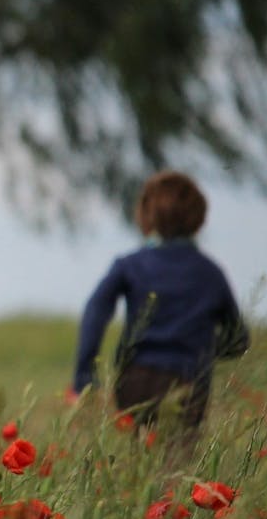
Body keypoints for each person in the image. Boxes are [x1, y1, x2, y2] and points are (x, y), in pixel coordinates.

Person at [70, 170, 249, 442]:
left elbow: (95, 311)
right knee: (178, 464)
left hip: (135, 379)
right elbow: (238, 339)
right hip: (189, 381)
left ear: (146, 215)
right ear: (198, 218)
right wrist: (201, 350)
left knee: (139, 460)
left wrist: (84, 377)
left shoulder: (130, 265)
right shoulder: (210, 273)